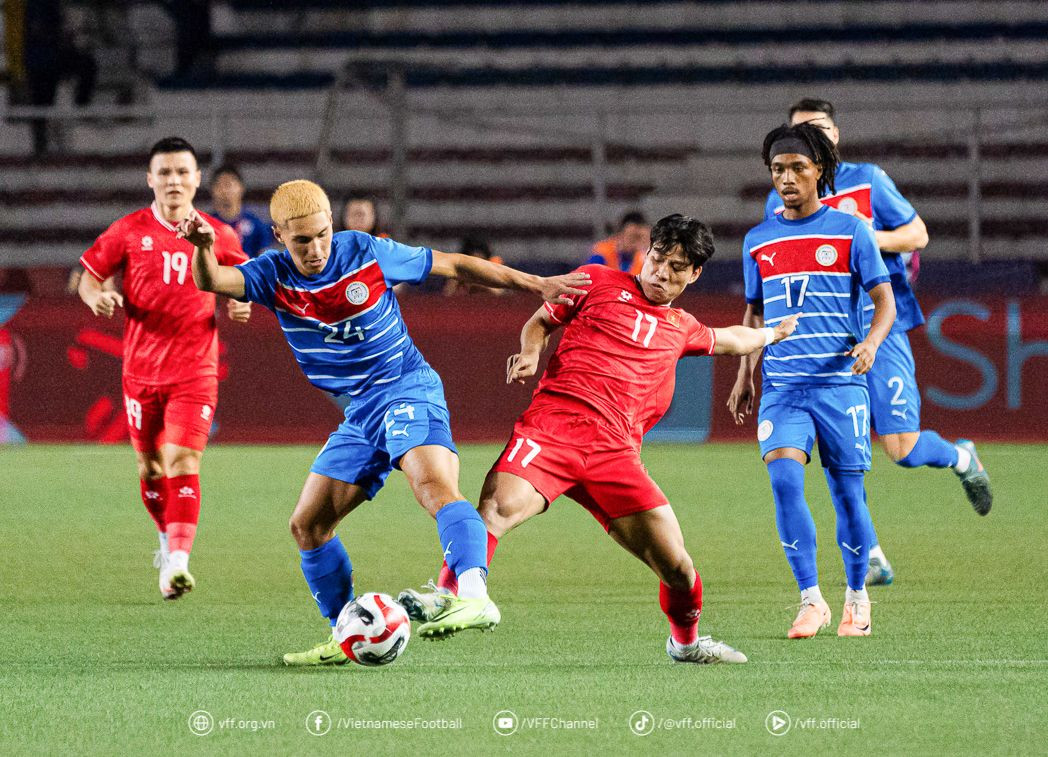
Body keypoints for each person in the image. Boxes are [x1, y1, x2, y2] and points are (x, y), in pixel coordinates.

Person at [183, 179, 591, 664]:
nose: (315, 249)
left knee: (433, 487)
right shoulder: (271, 275)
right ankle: (343, 634)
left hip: (405, 388)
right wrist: (204, 249)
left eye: (322, 234)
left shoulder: (366, 252)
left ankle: (475, 594)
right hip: (360, 412)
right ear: (277, 236)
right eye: (301, 241)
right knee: (308, 526)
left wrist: (537, 284)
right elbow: (212, 281)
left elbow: (455, 264)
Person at [400, 214, 800, 664]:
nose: (662, 273)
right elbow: (538, 322)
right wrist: (531, 353)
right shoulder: (594, 281)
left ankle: (685, 645)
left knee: (679, 568)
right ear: (646, 253)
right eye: (658, 259)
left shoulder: (683, 326)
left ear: (695, 274)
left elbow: (731, 339)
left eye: (676, 268)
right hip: (551, 432)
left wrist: (771, 332)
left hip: (616, 455)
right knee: (493, 509)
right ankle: (451, 594)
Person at [760, 98, 992, 586]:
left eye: (817, 131)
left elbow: (918, 234)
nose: (806, 143)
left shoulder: (867, 181)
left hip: (877, 327)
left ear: (834, 137)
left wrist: (867, 238)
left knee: (901, 448)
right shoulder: (780, 197)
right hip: (824, 338)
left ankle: (962, 457)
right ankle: (871, 553)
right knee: (837, 451)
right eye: (798, 134)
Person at [727, 123, 897, 638]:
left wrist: (870, 343)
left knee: (848, 495)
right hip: (782, 387)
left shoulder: (851, 231)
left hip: (840, 384)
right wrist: (744, 372)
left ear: (820, 169)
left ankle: (856, 600)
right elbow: (754, 314)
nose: (787, 178)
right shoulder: (758, 239)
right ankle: (810, 600)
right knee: (783, 480)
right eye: (778, 169)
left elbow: (884, 301)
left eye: (798, 168)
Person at [77, 136, 250, 600]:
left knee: (183, 459)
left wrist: (240, 301)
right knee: (150, 468)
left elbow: (245, 280)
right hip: (140, 372)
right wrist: (97, 297)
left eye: (183, 172)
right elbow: (89, 278)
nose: (174, 180)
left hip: (195, 370)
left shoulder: (218, 234)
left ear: (196, 180)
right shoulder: (127, 231)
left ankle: (177, 562)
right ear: (151, 179)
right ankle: (165, 538)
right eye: (165, 173)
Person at [208, 164, 273, 258]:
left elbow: (264, 261)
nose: (224, 190)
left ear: (241, 188)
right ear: (212, 190)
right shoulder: (206, 226)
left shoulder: (256, 225)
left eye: (228, 185)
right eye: (219, 185)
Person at [586, 210, 650, 274]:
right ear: (619, 235)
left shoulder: (645, 258)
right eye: (633, 237)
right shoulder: (602, 255)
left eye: (641, 238)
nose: (637, 243)